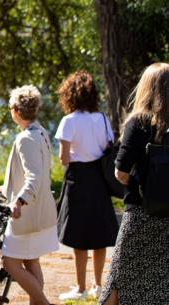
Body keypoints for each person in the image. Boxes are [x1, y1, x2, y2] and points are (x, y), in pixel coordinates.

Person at [99, 63, 169, 305]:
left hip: (139, 214)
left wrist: (142, 183)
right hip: (167, 219)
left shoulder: (138, 122)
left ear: (146, 88)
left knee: (118, 279)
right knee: (160, 284)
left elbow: (121, 172)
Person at [0, 85, 58, 305]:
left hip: (26, 212)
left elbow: (34, 176)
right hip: (41, 209)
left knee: (10, 263)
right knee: (30, 261)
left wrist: (17, 201)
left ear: (16, 110)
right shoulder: (40, 132)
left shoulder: (25, 138)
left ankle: (44, 303)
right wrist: (6, 187)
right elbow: (38, 172)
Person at [55, 71, 118, 302]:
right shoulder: (102, 118)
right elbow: (107, 147)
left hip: (78, 179)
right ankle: (98, 284)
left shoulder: (69, 120)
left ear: (70, 94)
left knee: (79, 234)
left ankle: (80, 288)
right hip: (98, 179)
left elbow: (63, 159)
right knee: (99, 234)